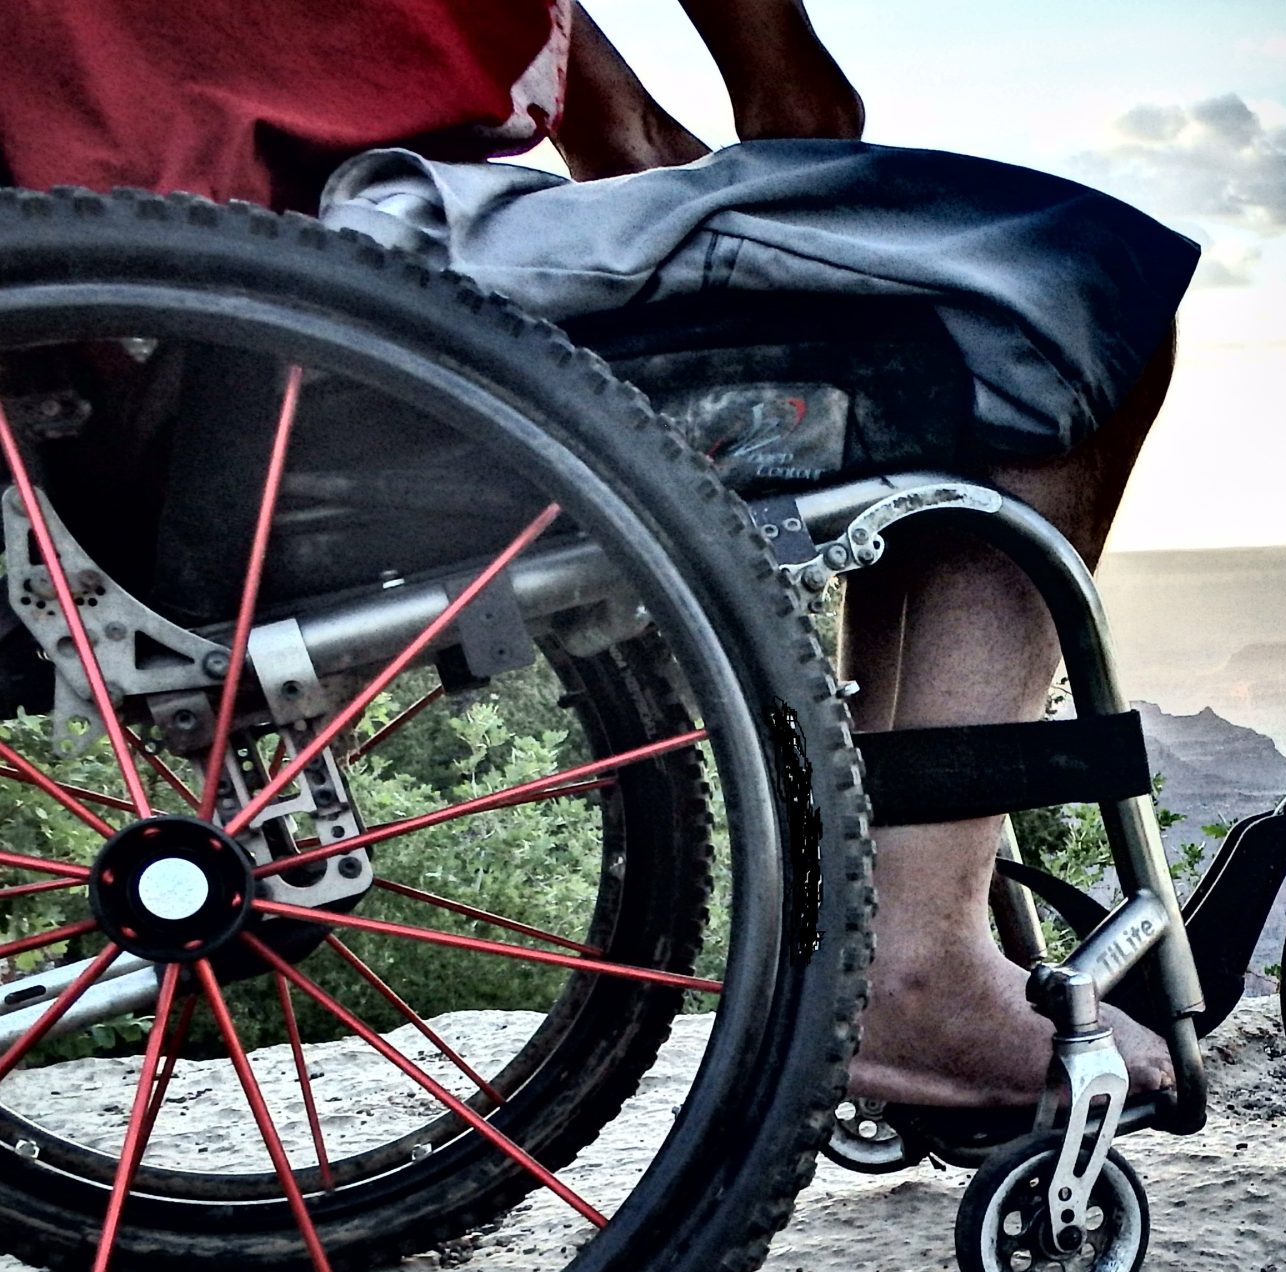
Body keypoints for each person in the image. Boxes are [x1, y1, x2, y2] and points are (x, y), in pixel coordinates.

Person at [0, 0, 1181, 1109]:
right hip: (315, 270)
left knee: (885, 303)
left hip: (129, 341)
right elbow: (796, 113)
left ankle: (900, 915)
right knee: (1075, 280)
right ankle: (914, 970)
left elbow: (628, 148)